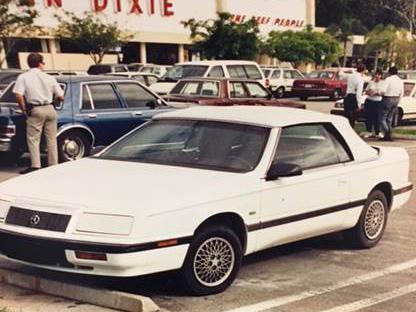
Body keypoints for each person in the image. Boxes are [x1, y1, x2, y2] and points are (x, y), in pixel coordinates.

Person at [13, 53, 64, 174]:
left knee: (33, 139)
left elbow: (18, 95)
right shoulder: (49, 77)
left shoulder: (23, 77)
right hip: (50, 108)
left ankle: (36, 165)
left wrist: (23, 109)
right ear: (40, 63)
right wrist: (53, 102)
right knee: (51, 139)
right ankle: (53, 164)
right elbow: (61, 96)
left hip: (35, 109)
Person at [379, 66, 403, 141]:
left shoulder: (388, 80)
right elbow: (402, 92)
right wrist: (399, 101)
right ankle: (388, 133)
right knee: (389, 117)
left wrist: (379, 93)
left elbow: (383, 90)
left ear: (389, 72)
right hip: (396, 98)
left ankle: (387, 132)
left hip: (388, 98)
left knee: (382, 117)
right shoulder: (400, 80)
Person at [362, 69, 384, 138]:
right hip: (370, 101)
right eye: (376, 74)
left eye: (378, 75)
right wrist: (369, 92)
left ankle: (378, 132)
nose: (377, 76)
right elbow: (366, 91)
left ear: (381, 76)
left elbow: (383, 92)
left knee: (377, 117)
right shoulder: (371, 82)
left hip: (378, 102)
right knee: (369, 117)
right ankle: (369, 131)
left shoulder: (383, 83)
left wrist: (376, 93)